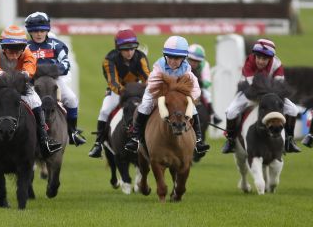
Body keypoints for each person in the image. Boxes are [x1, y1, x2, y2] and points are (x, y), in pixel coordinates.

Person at [0, 25, 63, 156]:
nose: (14, 56)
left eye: (17, 52)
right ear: (3, 47)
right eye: (10, 52)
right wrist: (1, 74)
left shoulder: (27, 50)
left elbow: (30, 64)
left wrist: (25, 74)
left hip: (19, 85)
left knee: (36, 101)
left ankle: (44, 139)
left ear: (23, 49)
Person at [124, 36, 210, 154]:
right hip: (157, 92)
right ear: (165, 55)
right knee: (145, 106)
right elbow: (153, 84)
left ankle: (198, 141)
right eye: (170, 57)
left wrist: (189, 99)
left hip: (178, 95)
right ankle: (135, 139)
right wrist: (165, 93)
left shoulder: (186, 69)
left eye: (177, 58)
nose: (173, 61)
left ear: (184, 58)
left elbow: (195, 89)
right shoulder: (159, 66)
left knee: (193, 109)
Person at [221, 39, 302, 154]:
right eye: (258, 57)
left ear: (271, 58)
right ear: (255, 55)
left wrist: (270, 97)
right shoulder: (249, 61)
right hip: (250, 92)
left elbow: (278, 85)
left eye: (264, 59)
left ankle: (289, 140)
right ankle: (230, 141)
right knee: (231, 112)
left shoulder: (277, 64)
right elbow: (252, 86)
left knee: (293, 110)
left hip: (271, 94)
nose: (260, 61)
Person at [24, 12, 86, 146]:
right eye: (35, 31)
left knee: (71, 99)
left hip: (54, 80)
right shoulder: (25, 47)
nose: (39, 34)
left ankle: (72, 132)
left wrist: (40, 70)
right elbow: (22, 67)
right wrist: (48, 68)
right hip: (32, 82)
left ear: (47, 30)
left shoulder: (57, 45)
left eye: (42, 30)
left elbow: (65, 65)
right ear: (30, 32)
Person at [88, 29, 150, 158]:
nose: (129, 52)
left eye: (132, 49)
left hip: (137, 89)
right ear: (118, 48)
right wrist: (126, 92)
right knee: (104, 111)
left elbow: (147, 77)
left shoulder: (141, 57)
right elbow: (113, 82)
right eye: (125, 49)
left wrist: (145, 89)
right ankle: (98, 144)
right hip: (118, 91)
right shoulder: (109, 59)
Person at [187, 43, 222, 125]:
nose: (194, 63)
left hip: (198, 86)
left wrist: (199, 82)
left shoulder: (205, 65)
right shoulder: (183, 62)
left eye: (197, 61)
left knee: (207, 95)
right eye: (192, 60)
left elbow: (207, 82)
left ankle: (213, 114)